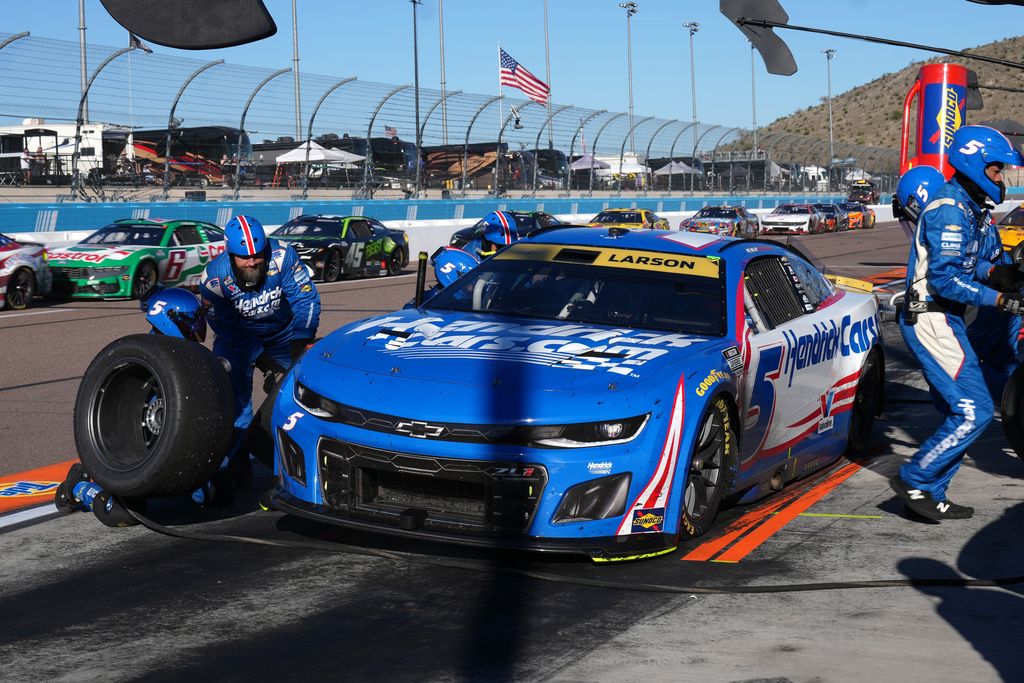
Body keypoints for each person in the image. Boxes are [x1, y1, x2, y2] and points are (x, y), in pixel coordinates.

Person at [890, 125, 1024, 521]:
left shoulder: (968, 205)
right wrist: (999, 297)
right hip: (931, 317)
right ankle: (916, 477)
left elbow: (965, 262)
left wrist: (995, 274)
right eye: (998, 171)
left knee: (970, 408)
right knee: (973, 410)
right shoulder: (950, 207)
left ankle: (931, 491)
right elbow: (945, 279)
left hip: (945, 318)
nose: (1002, 179)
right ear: (977, 163)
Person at [200, 215, 321, 493]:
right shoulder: (213, 280)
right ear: (230, 254)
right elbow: (228, 331)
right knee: (234, 396)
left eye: (257, 255)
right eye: (244, 258)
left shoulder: (283, 255)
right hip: (238, 342)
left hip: (285, 335)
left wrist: (300, 344)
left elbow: (306, 299)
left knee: (297, 395)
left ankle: (293, 464)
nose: (253, 262)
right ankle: (238, 458)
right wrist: (265, 363)